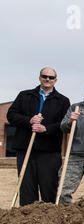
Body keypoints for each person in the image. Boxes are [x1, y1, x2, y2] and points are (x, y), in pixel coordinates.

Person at [7, 67, 70, 206]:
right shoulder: (24, 96)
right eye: (44, 76)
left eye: (51, 77)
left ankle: (49, 223)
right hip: (26, 149)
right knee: (27, 189)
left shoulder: (63, 101)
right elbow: (11, 115)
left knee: (49, 188)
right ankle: (27, 222)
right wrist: (29, 120)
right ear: (40, 77)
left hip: (49, 152)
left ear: (56, 80)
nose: (47, 79)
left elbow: (64, 125)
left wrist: (46, 128)